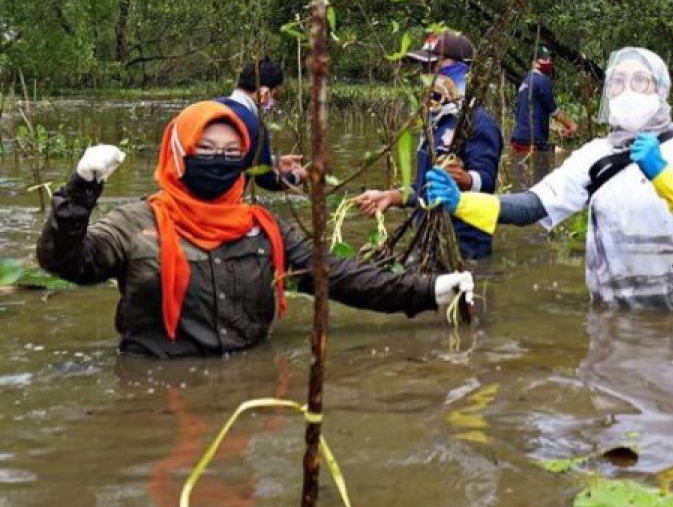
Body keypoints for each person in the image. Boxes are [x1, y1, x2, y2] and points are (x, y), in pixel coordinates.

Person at [36, 101, 473, 358]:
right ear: (178, 155)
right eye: (204, 149)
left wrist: (431, 290)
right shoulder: (137, 223)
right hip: (151, 391)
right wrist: (81, 189)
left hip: (248, 391)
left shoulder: (263, 230)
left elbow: (340, 278)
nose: (219, 159)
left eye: (231, 152)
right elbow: (67, 262)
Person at [425, 47, 673, 310]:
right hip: (612, 316)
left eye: (640, 80)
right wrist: (462, 201)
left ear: (659, 90)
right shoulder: (594, 154)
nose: (628, 89)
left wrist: (663, 176)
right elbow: (533, 205)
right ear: (608, 93)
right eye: (618, 82)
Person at [353, 30, 503, 260]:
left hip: (464, 252)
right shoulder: (434, 122)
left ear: (460, 71)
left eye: (433, 67)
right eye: (424, 69)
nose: (427, 76)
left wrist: (464, 178)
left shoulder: (479, 123)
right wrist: (391, 197)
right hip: (428, 244)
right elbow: (425, 188)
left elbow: (486, 183)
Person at [216, 58, 306, 192]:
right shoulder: (254, 126)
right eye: (274, 96)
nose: (272, 103)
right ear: (264, 93)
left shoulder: (212, 105)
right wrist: (298, 177)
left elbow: (223, 158)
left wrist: (272, 161)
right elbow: (266, 180)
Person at [510, 45, 579, 154]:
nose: (549, 61)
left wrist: (555, 128)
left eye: (549, 59)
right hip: (533, 141)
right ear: (534, 63)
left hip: (517, 139)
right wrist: (571, 125)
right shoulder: (542, 80)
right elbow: (555, 112)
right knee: (564, 155)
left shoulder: (525, 81)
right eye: (545, 59)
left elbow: (526, 116)